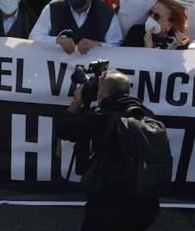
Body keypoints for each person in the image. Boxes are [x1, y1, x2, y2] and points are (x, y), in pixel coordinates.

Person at [56, 70, 160, 231]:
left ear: (103, 93)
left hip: (110, 204)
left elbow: (63, 130)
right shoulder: (148, 115)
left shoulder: (101, 117)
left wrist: (77, 102)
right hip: (146, 202)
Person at [29, 0, 115, 53]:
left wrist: (96, 45)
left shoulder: (106, 13)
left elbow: (116, 46)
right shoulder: (53, 8)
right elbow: (34, 37)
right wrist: (57, 41)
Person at [120, 0, 189, 50]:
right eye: (150, 12)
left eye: (156, 16)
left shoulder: (178, 42)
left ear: (170, 24)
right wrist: (148, 51)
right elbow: (125, 63)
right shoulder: (137, 31)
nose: (150, 17)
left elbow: (170, 68)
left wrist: (168, 53)